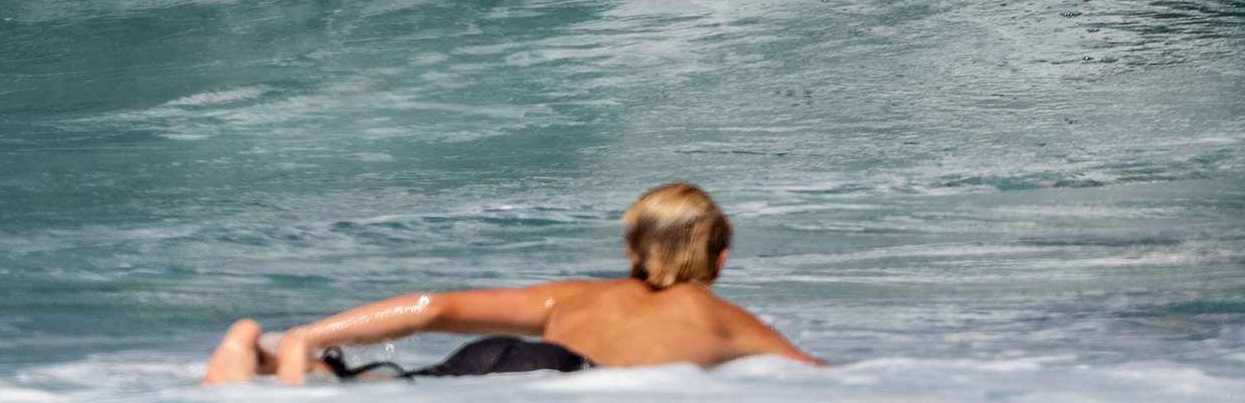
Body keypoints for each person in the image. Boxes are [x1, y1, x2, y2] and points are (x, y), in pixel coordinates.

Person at [203, 183, 821, 380]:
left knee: (392, 385)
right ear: (719, 262)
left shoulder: (574, 295)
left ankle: (274, 353)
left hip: (494, 358)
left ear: (629, 248)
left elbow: (433, 308)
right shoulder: (721, 318)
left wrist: (313, 332)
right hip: (567, 376)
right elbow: (829, 383)